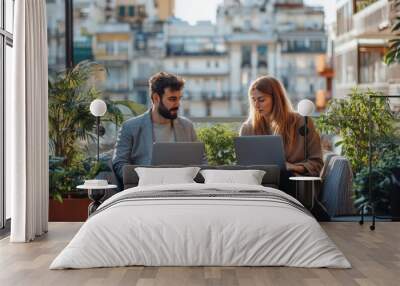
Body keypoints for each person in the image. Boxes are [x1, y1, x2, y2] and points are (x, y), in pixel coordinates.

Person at [239, 75, 323, 196]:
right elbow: (244, 167)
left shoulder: (301, 122)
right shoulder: (247, 129)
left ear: (276, 99)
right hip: (260, 183)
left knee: (284, 175)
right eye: (253, 100)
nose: (256, 105)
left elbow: (317, 164)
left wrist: (292, 167)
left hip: (294, 183)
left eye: (261, 100)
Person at [112, 72, 197, 182]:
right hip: (145, 190)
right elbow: (119, 164)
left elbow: (201, 162)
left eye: (179, 98)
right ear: (156, 98)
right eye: (172, 99)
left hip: (182, 189)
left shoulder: (187, 126)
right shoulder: (130, 128)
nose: (178, 104)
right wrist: (145, 179)